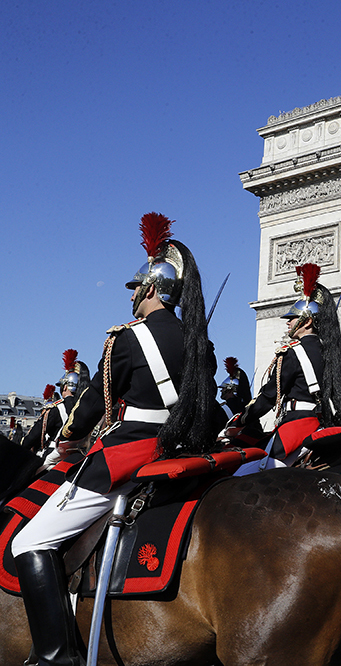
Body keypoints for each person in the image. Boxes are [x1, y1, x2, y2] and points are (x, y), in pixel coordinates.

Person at [11, 212, 217, 666]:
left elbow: (93, 410)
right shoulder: (200, 340)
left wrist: (68, 437)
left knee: (27, 543)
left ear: (147, 289)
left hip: (130, 453)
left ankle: (54, 654)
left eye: (134, 288)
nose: (131, 297)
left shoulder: (126, 339)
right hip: (184, 449)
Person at [233, 263, 341, 474]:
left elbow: (269, 396)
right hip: (319, 423)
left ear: (307, 321)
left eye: (292, 317)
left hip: (296, 425)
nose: (287, 322)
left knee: (242, 475)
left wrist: (241, 419)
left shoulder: (292, 352)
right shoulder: (330, 353)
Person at [22, 350, 91, 467]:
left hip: (55, 458)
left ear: (65, 387)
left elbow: (33, 437)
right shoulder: (88, 406)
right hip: (83, 457)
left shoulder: (57, 408)